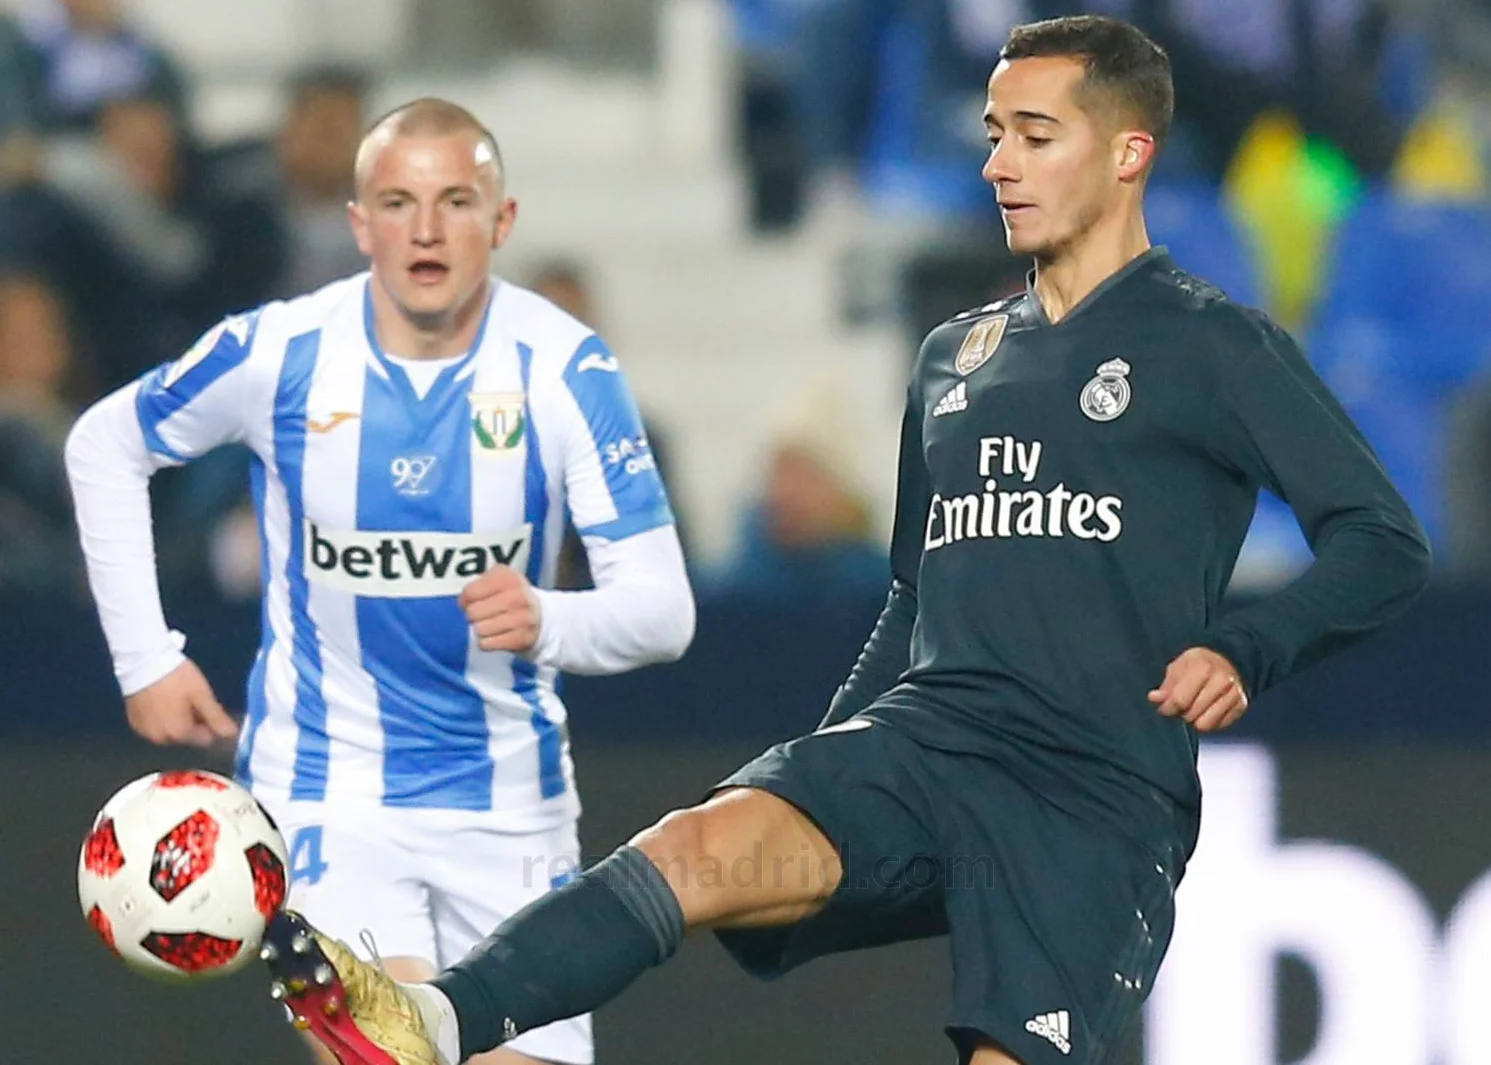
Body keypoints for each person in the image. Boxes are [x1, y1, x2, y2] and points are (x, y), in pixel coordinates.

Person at [258, 16, 1431, 1065]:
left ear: (1128, 154)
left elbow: (1380, 539)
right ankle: (438, 1020)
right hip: (929, 745)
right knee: (698, 845)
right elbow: (914, 592)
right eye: (994, 135)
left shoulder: (1213, 344)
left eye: (1036, 136)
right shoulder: (955, 357)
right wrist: (825, 753)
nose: (1000, 164)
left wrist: (1246, 647)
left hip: (1091, 792)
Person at [64, 97, 695, 1065]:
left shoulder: (566, 368)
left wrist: (548, 620)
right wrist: (145, 658)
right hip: (326, 795)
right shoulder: (280, 352)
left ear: (502, 219)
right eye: (399, 202)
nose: (426, 229)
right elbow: (105, 444)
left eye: (455, 201)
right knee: (390, 1053)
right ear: (360, 223)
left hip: (510, 806)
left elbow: (663, 613)